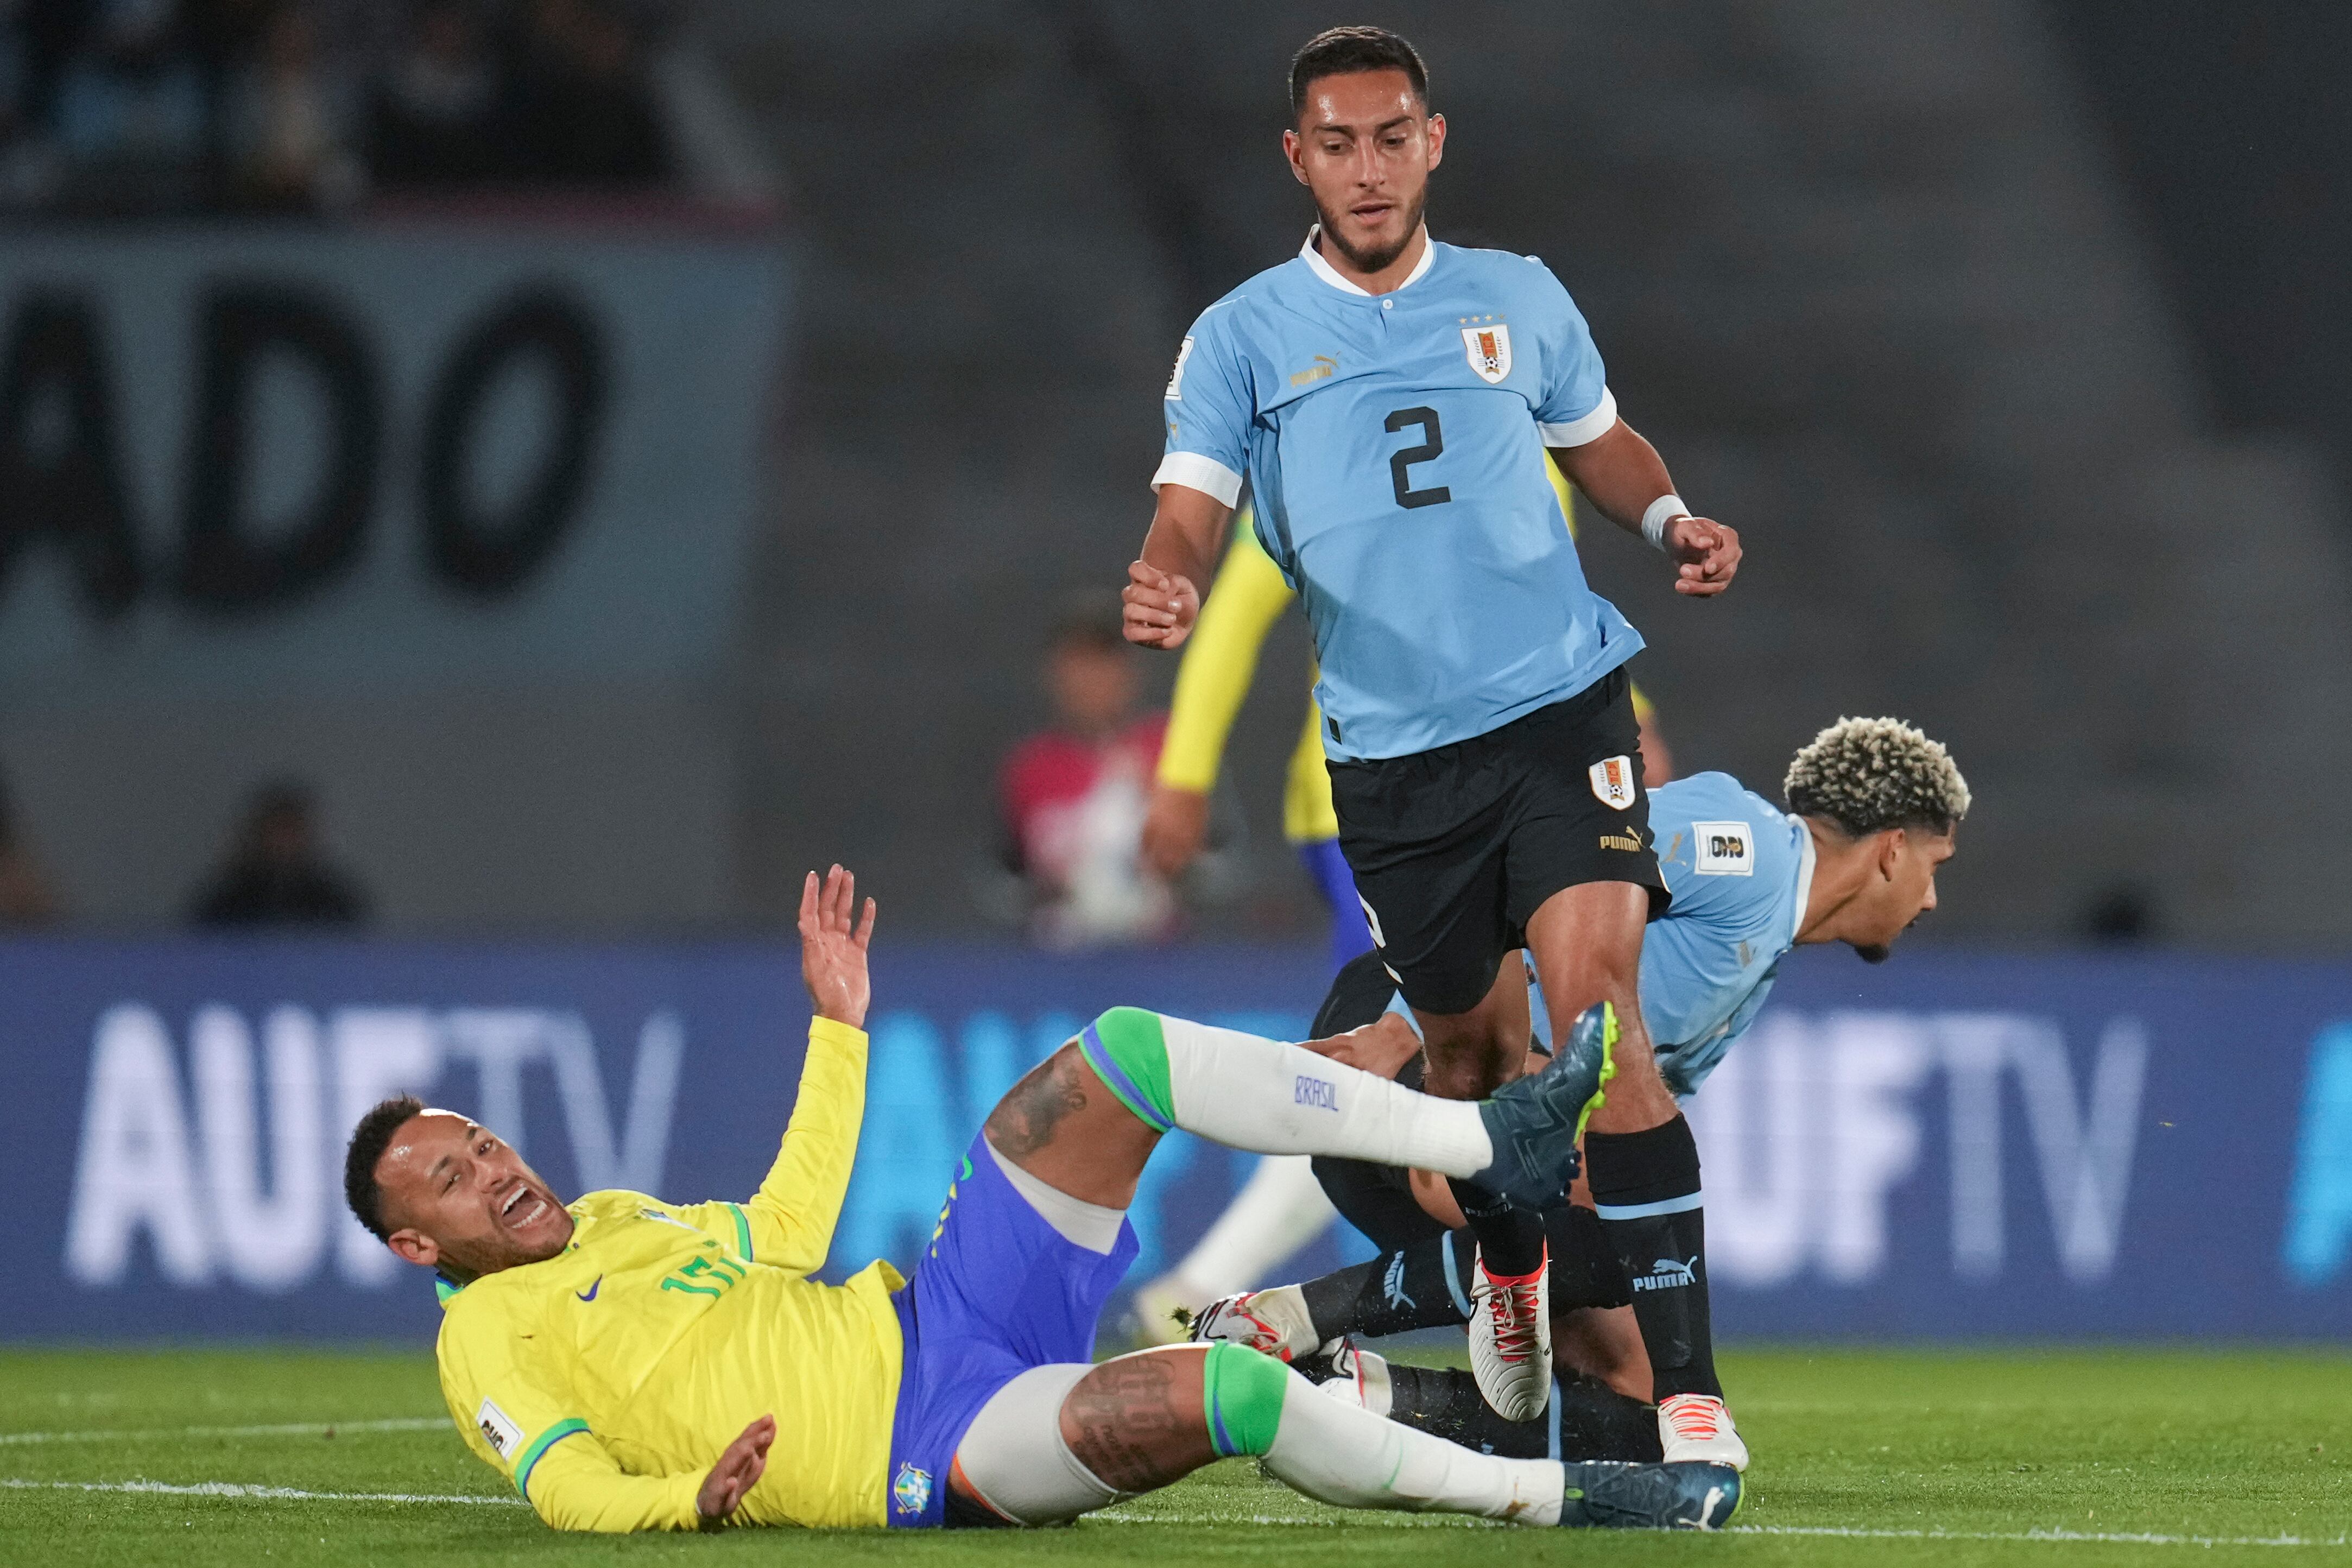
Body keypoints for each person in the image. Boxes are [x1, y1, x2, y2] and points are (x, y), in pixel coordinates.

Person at [341, 866, 1740, 1533]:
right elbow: (562, 1484)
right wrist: (683, 1503)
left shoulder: (613, 1221)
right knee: (1229, 1393)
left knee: (1120, 1055)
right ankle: (1563, 1496)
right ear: (416, 1244)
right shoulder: (486, 1341)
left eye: (483, 1142)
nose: (497, 1168)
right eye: (454, 1177)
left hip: (939, 1312)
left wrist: (839, 1027)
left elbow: (788, 1232)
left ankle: (1482, 1137)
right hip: (930, 1442)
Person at [1121, 24, 1744, 1457]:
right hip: (1396, 768)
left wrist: (1666, 518)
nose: (1368, 169)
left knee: (1601, 1025)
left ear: (1432, 142)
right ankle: (1507, 1272)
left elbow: (1598, 439)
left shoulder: (1516, 296)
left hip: (1562, 710)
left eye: (1391, 138)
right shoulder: (1241, 337)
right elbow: (1189, 507)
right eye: (1338, 144)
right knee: (1468, 1072)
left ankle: (1691, 1391)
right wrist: (1164, 573)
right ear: (1298, 158)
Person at [1190, 718, 1969, 1462]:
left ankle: (1348, 1392)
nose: (1933, 900)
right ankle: (1301, 1315)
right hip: (1428, 1035)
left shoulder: (1760, 957)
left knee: (1634, 1403)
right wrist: (1409, 1024)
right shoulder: (1749, 846)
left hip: (1474, 1091)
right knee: (1637, 1221)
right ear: (1893, 850)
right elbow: (1538, 865)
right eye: (1937, 867)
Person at [1130, 485, 1673, 1338]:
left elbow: (1543, 617)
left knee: (1464, 1058)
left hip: (1517, 795)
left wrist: (1624, 718)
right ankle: (1207, 1289)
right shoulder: (1325, 448)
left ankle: (1232, 1289)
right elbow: (1234, 613)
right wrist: (1184, 774)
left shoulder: (1531, 454)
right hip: (1384, 807)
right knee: (1396, 1058)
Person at [998, 603, 1175, 947]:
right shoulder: (1029, 767)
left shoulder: (1171, 749)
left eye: (1104, 661)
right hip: (1059, 958)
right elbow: (1001, 879)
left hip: (1163, 958)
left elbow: (1223, 868)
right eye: (1079, 662)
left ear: (1130, 672)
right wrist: (1051, 890)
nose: (1091, 679)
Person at [188, 780, 368, 927]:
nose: (284, 841)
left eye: (292, 831)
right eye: (276, 830)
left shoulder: (333, 902)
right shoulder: (228, 901)